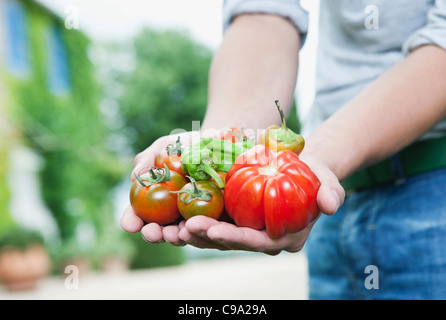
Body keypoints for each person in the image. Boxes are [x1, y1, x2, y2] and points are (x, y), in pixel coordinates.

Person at [121, 0, 446, 299]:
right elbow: (264, 11)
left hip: (433, 194)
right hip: (330, 205)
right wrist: (225, 143)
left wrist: (310, 163)